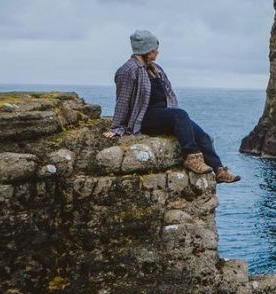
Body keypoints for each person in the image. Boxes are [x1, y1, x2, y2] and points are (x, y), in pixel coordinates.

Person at [103, 30, 240, 183]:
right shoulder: (128, 70)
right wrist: (117, 128)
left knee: (202, 135)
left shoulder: (156, 68)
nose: (157, 52)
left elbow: (168, 93)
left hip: (162, 114)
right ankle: (191, 158)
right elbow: (122, 100)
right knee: (180, 115)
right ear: (146, 50)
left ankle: (219, 170)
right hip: (144, 117)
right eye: (154, 49)